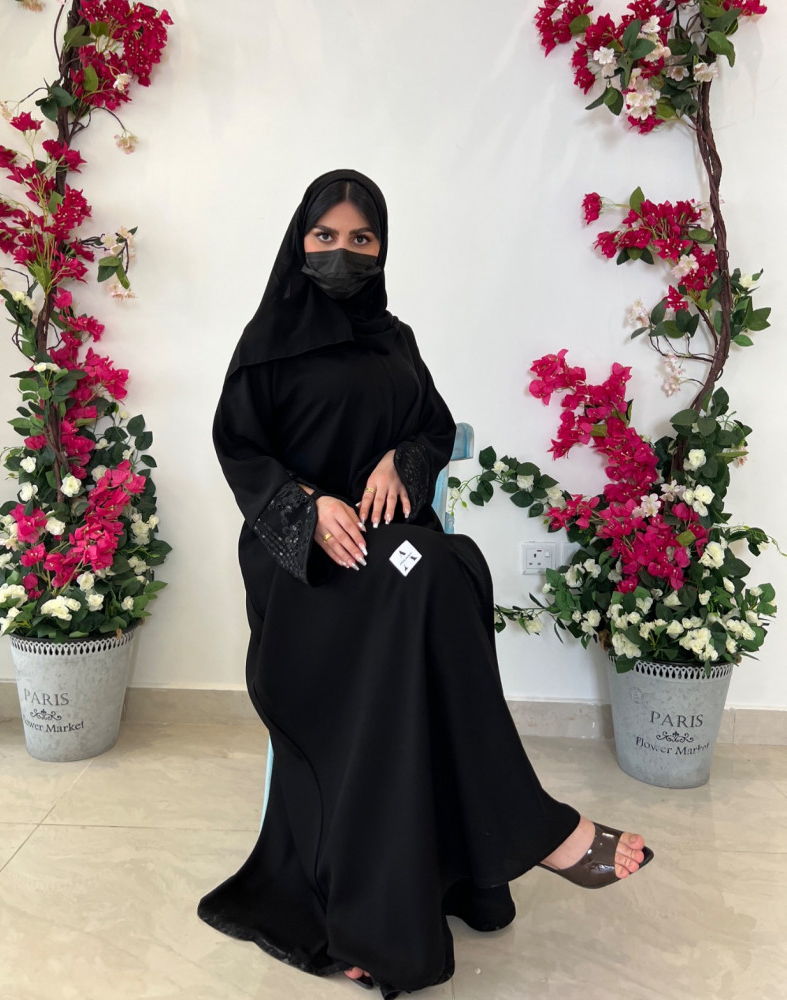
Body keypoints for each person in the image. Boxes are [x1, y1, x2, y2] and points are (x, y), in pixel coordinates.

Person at [198, 169, 652, 999]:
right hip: (301, 562)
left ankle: (445, 871)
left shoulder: (393, 338)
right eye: (325, 237)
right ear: (299, 242)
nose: (341, 253)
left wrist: (398, 460)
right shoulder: (266, 341)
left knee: (445, 567)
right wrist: (309, 503)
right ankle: (535, 829)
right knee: (435, 575)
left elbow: (433, 426)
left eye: (360, 239)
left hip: (390, 549)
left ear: (381, 249)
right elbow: (239, 451)